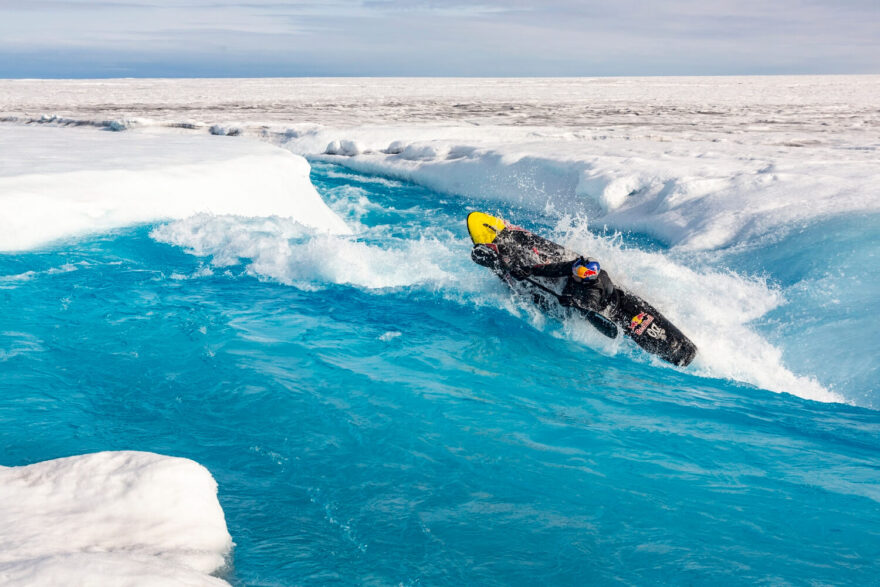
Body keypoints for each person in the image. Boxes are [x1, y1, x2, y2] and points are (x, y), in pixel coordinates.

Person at [510, 257, 617, 314]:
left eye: (578, 273)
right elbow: (556, 269)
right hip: (579, 286)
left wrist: (573, 302)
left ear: (587, 279)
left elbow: (589, 306)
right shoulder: (576, 267)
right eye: (575, 269)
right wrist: (531, 270)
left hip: (602, 301)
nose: (573, 272)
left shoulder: (594, 291)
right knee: (562, 272)